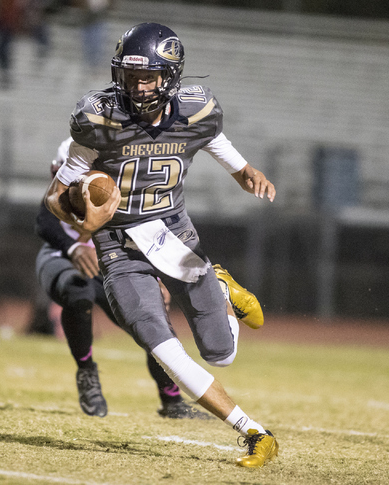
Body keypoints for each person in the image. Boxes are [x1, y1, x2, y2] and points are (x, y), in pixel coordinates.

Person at [44, 23, 278, 467]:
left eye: (148, 77)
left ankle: (221, 286)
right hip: (118, 244)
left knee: (221, 353)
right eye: (130, 76)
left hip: (174, 236)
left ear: (170, 76)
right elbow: (55, 196)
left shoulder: (195, 111)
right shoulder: (99, 117)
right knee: (159, 343)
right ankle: (253, 431)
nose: (138, 86)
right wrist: (84, 215)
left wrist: (247, 173)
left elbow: (218, 144)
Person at [35, 138, 212, 419]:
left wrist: (159, 278)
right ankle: (86, 372)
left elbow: (148, 237)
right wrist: (73, 248)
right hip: (62, 258)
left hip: (113, 265)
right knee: (78, 294)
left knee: (152, 321)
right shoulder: (61, 189)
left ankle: (172, 400)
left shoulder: (124, 192)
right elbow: (44, 221)